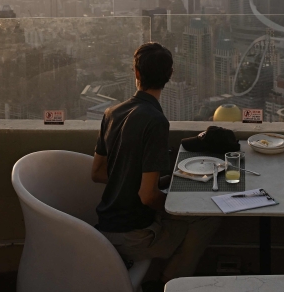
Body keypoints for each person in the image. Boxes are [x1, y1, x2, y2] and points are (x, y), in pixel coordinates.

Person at [91, 42, 220, 285]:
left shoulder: (112, 113)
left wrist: (143, 180)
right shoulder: (155, 121)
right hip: (134, 236)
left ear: (136, 72)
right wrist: (178, 204)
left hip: (105, 227)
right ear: (170, 75)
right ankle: (171, 281)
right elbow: (148, 196)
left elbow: (97, 172)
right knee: (206, 218)